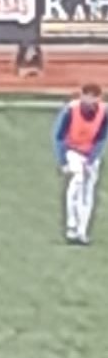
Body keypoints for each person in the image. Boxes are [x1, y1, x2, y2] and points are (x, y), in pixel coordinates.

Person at [53, 83, 108, 245]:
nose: (89, 101)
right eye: (86, 96)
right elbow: (59, 136)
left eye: (93, 97)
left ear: (99, 99)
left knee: (88, 191)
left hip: (90, 155)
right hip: (73, 151)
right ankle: (71, 226)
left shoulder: (104, 112)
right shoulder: (71, 109)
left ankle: (82, 231)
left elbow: (101, 138)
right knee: (77, 180)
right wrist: (63, 161)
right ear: (81, 96)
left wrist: (91, 159)